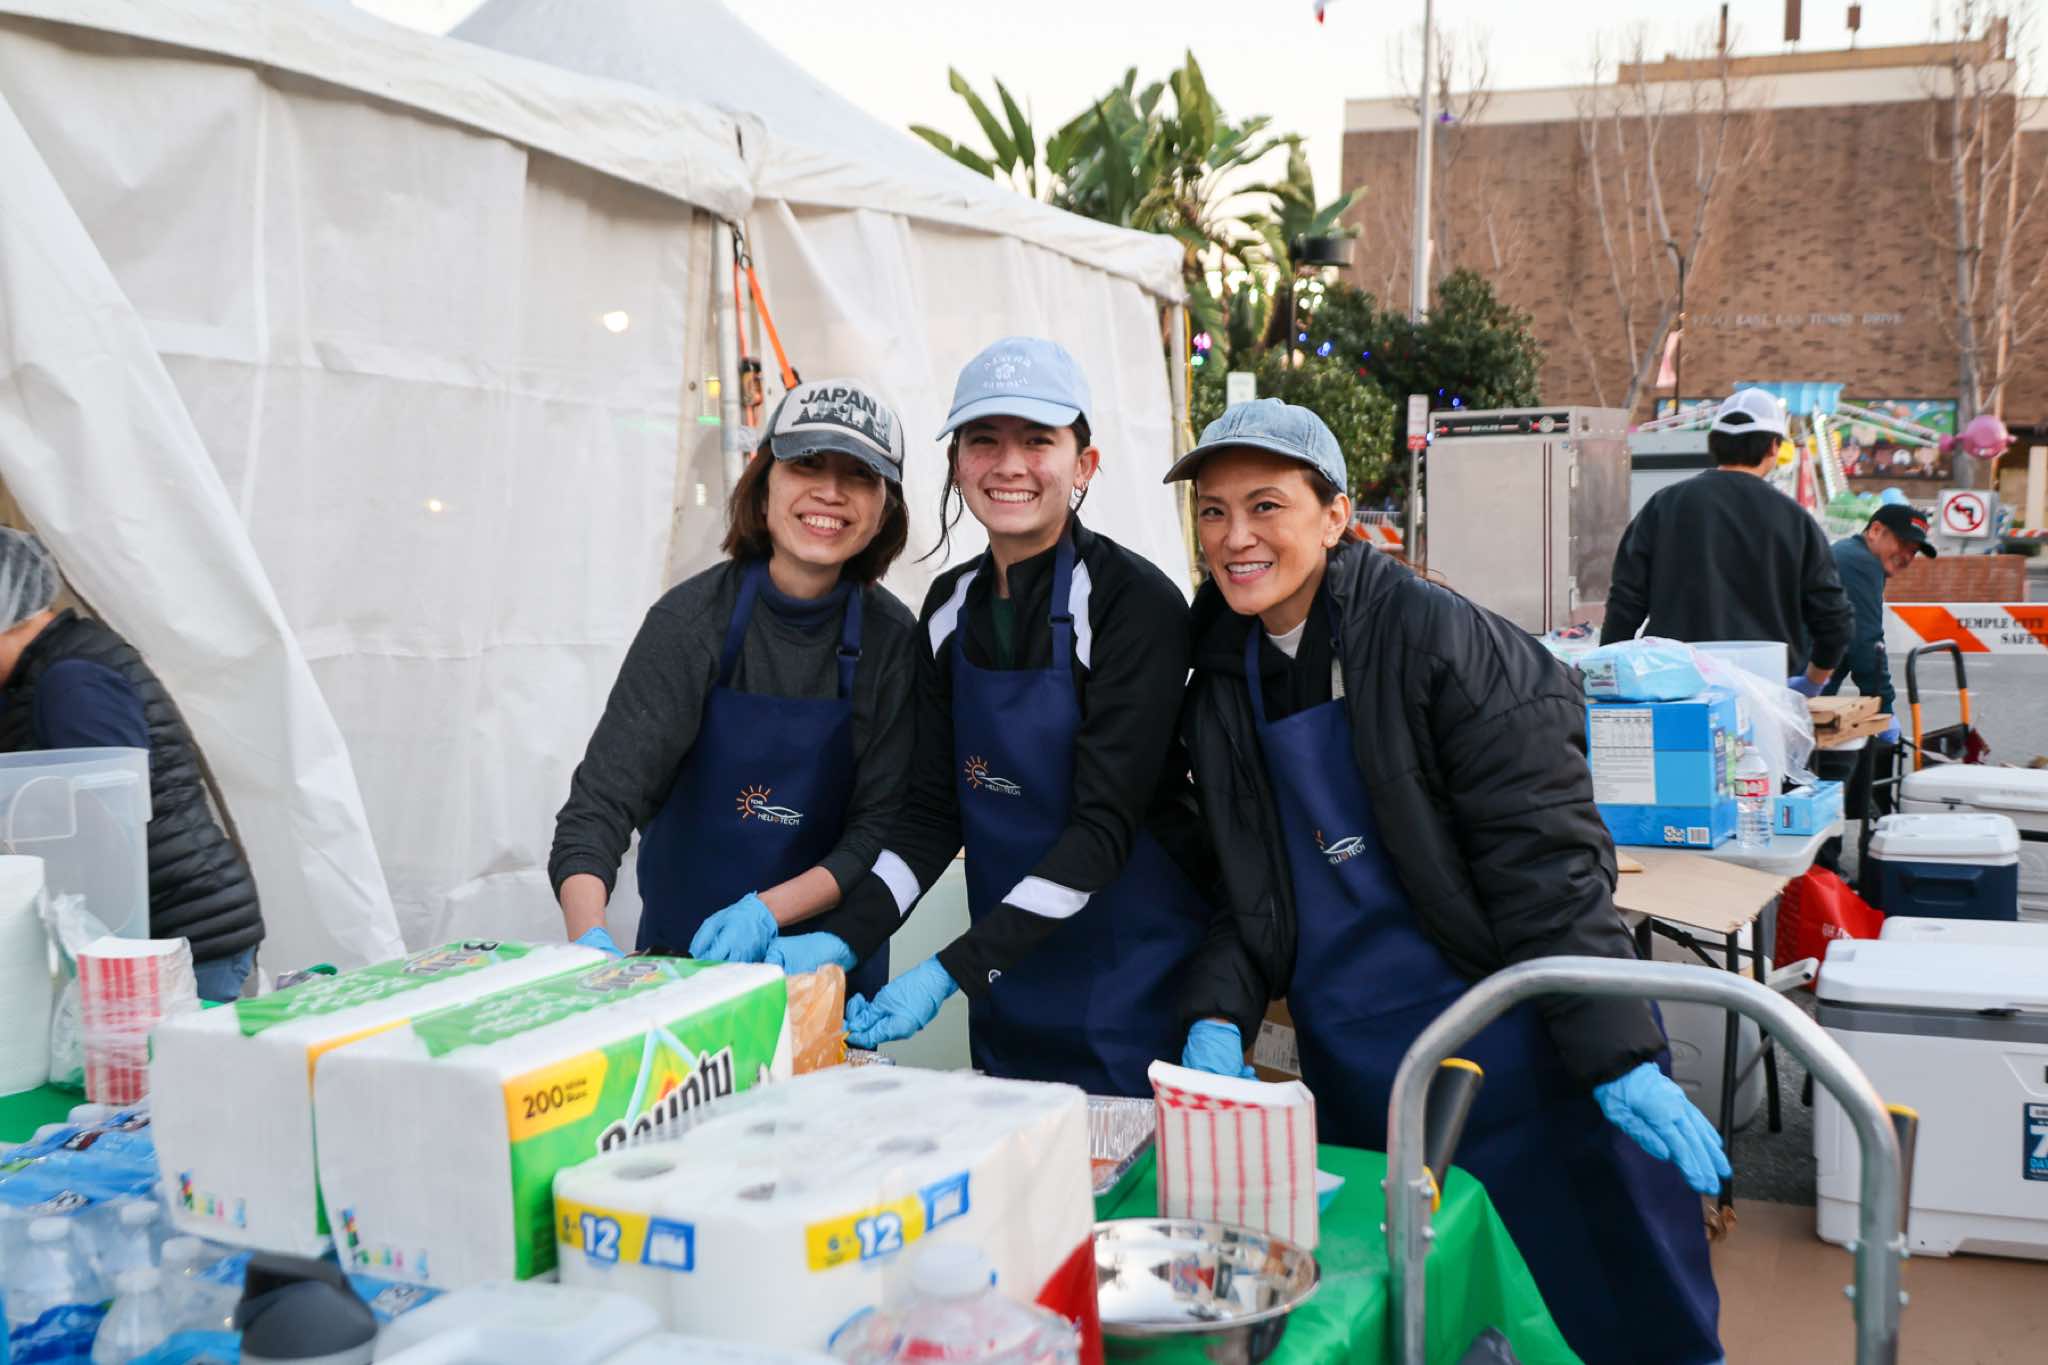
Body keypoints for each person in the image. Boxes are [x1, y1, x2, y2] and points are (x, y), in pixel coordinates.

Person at [1171, 401, 1724, 1365]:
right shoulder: (1220, 677)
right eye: (1213, 512)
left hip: (1522, 1049)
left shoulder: (1447, 646)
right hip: (1367, 1075)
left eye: (1265, 505)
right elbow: (1252, 889)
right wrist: (1217, 1011)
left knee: (1601, 1305)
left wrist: (1615, 1052)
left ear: (1336, 516)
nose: (1236, 536)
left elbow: (1548, 867)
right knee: (1434, 1324)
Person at [777, 337, 1212, 1097]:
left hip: (1132, 981)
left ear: (1084, 464)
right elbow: (929, 815)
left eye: (1038, 440)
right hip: (1005, 983)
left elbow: (1103, 832)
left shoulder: (1134, 605)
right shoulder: (948, 607)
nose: (1009, 464)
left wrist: (947, 972)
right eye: (983, 440)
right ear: (956, 464)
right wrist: (842, 939)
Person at [548, 379, 916, 998]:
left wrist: (765, 913)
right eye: (807, 464)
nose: (830, 492)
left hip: (823, 978)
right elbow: (599, 808)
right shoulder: (690, 623)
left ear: (885, 509)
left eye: (859, 475)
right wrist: (591, 947)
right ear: (764, 482)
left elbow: (878, 832)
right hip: (681, 971)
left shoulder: (895, 640)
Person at [0, 530, 262, 1002]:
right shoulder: (47, 671)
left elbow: (108, 823)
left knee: (179, 1052)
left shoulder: (72, 680)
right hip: (151, 930)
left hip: (179, 935)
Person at [1603, 388, 1853, 699]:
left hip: (1676, 691)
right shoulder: (1795, 520)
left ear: (1715, 442)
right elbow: (1834, 619)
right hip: (1766, 692)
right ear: (1773, 446)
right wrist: (1813, 682)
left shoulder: (1664, 506)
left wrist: (1607, 679)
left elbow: (1625, 603)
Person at [1817, 503, 1935, 854]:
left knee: (1827, 769)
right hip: (1794, 685)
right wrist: (1884, 708)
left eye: (1914, 551)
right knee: (1826, 777)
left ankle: (1822, 864)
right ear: (1875, 531)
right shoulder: (1858, 562)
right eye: (1903, 544)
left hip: (1802, 684)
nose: (1907, 556)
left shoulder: (1853, 557)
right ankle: (1822, 868)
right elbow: (1866, 644)